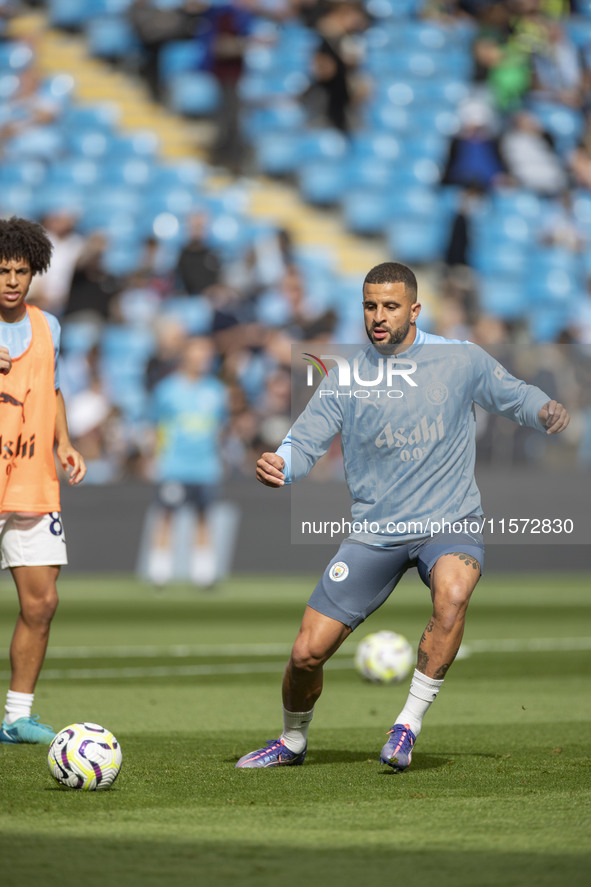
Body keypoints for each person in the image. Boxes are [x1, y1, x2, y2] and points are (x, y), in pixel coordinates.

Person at [236, 261, 570, 770]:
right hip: (376, 532)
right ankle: (292, 740)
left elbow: (513, 394)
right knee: (307, 653)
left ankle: (407, 725)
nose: (378, 316)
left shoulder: (458, 359)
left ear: (414, 309)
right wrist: (281, 464)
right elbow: (303, 443)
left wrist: (545, 408)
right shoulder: (344, 376)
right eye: (370, 305)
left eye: (390, 306)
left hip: (449, 520)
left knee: (453, 594)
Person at [0, 217, 86, 745]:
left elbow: (51, 390)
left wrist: (65, 443)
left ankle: (16, 716)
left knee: (42, 603)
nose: (11, 280)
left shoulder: (48, 325)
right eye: (4, 270)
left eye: (21, 271)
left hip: (30, 479)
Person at [147, 335, 228, 588]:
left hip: (205, 466)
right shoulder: (167, 390)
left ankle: (203, 573)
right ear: (186, 356)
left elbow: (221, 428)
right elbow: (154, 426)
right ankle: (158, 572)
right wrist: (154, 458)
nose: (204, 359)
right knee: (166, 515)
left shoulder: (216, 390)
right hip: (174, 465)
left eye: (207, 354)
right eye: (199, 353)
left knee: (204, 516)